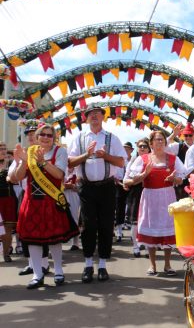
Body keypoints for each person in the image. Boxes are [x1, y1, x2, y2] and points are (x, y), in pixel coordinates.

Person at [12, 124, 78, 288]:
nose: (46, 138)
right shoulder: (30, 151)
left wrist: (42, 163)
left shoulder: (60, 151)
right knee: (32, 239)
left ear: (54, 138)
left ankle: (58, 271)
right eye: (43, 135)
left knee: (54, 239)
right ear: (37, 136)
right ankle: (37, 274)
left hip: (51, 200)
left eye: (50, 135)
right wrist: (22, 162)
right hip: (32, 201)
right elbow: (16, 178)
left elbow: (59, 174)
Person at [68, 104, 127, 283]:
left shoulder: (112, 138)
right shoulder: (78, 138)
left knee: (106, 225)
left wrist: (105, 156)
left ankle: (102, 265)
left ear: (103, 117)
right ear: (86, 118)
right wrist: (87, 155)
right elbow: (70, 162)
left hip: (107, 187)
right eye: (90, 114)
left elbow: (121, 162)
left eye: (97, 113)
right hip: (86, 188)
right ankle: (87, 265)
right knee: (88, 226)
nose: (94, 116)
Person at [129, 131, 186, 276]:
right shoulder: (143, 159)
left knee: (168, 229)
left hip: (167, 195)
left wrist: (175, 179)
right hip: (150, 196)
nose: (160, 142)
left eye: (162, 140)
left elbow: (181, 178)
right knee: (151, 228)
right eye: (157, 140)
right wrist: (143, 175)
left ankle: (167, 264)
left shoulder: (173, 159)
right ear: (151, 143)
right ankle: (152, 265)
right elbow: (132, 179)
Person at [8, 124, 51, 276]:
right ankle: (31, 264)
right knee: (25, 230)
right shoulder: (24, 152)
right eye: (29, 134)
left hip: (43, 196)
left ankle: (44, 264)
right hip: (25, 195)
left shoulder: (44, 152)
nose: (31, 136)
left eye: (34, 133)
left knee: (42, 230)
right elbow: (11, 174)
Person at [123, 138, 151, 257]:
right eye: (140, 146)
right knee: (135, 221)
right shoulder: (134, 161)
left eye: (145, 146)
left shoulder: (154, 159)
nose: (143, 148)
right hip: (137, 193)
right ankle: (135, 246)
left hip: (151, 192)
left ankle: (147, 247)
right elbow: (125, 180)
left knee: (149, 222)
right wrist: (136, 180)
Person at [114, 141, 134, 242]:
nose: (126, 150)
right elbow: (115, 177)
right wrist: (123, 185)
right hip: (120, 185)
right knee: (119, 208)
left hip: (132, 184)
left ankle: (132, 232)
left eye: (128, 149)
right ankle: (119, 231)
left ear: (132, 150)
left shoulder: (134, 160)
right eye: (124, 148)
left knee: (131, 208)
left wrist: (129, 183)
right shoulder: (119, 160)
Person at [0, 141, 17, 262]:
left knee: (8, 228)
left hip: (8, 199)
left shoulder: (11, 163)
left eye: (4, 148)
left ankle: (6, 254)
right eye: (0, 148)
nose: (3, 150)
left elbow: (16, 180)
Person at [63, 168, 81, 251]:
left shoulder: (78, 171)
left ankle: (75, 243)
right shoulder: (62, 169)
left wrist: (75, 187)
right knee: (62, 218)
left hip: (74, 196)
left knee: (74, 217)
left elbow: (80, 187)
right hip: (62, 195)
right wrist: (67, 185)